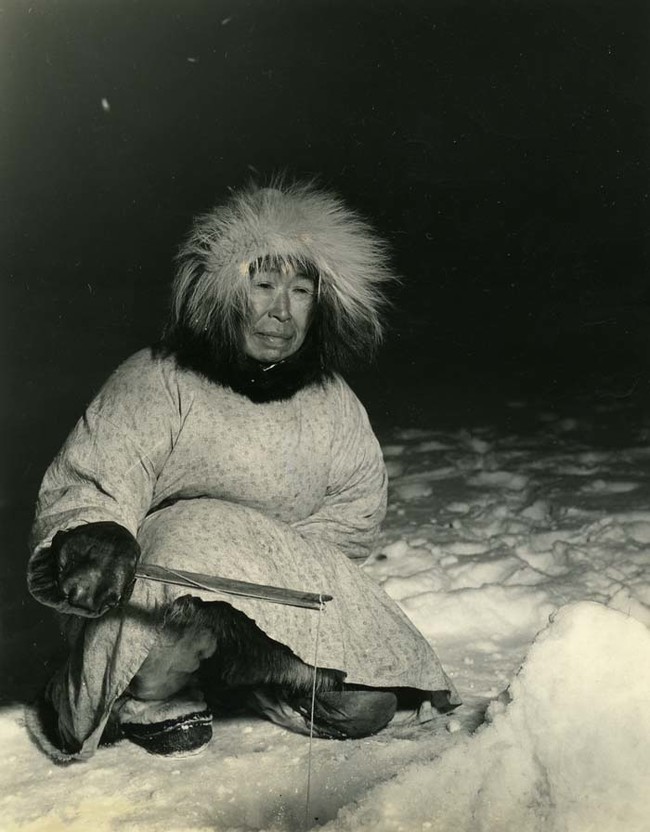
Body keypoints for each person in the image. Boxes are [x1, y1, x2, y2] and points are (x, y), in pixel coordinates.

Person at [27, 179, 460, 760]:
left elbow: (353, 515)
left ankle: (245, 675)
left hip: (272, 601)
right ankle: (146, 690)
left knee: (365, 708)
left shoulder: (333, 404)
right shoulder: (158, 380)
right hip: (165, 596)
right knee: (162, 638)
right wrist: (94, 535)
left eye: (301, 290)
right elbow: (96, 481)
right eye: (262, 285)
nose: (280, 311)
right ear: (228, 295)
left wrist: (262, 606)